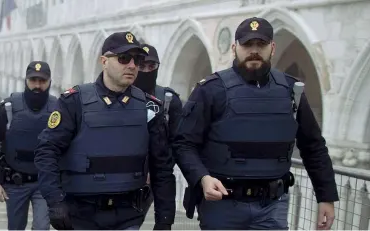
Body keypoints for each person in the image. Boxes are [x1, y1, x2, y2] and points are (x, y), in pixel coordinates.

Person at [173, 17, 338, 230]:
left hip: (272, 207)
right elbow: (183, 143)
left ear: (272, 47)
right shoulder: (210, 90)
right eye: (247, 44)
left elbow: (314, 147)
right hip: (223, 206)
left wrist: (326, 197)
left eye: (261, 44)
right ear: (234, 48)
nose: (254, 50)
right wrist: (202, 178)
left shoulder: (291, 92)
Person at [34, 31, 175, 230]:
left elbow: (162, 167)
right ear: (104, 61)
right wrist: (55, 201)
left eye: (137, 59)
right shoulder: (74, 101)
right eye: (124, 58)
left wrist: (165, 220)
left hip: (129, 215)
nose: (132, 65)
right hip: (80, 215)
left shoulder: (150, 108)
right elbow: (46, 152)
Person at [0, 61, 56, 230]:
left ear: (50, 82)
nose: (37, 85)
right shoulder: (8, 108)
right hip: (15, 183)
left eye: (42, 81)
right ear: (26, 81)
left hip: (45, 183)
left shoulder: (58, 110)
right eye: (33, 80)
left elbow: (68, 146)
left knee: (42, 227)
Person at [132, 43, 184, 225]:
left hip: (162, 175)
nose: (146, 70)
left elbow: (180, 141)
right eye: (141, 65)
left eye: (151, 66)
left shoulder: (168, 99)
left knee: (164, 223)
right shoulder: (121, 98)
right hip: (130, 177)